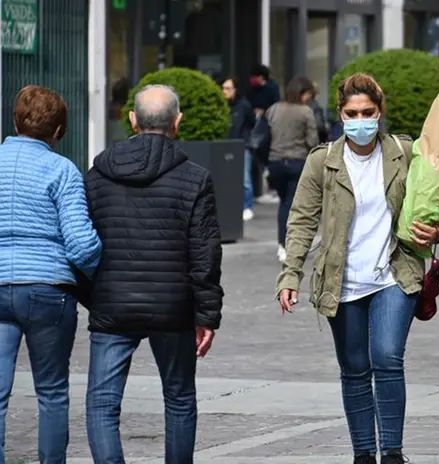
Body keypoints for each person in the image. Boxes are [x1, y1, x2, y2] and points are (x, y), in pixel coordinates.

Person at [276, 73, 439, 464]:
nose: (360, 120)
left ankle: (392, 452)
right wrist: (291, 275)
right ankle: (363, 454)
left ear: (380, 112)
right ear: (340, 114)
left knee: (387, 358)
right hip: (343, 279)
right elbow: (301, 220)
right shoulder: (323, 161)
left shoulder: (405, 153)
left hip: (395, 272)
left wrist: (437, 230)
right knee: (354, 370)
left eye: (367, 112)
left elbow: (437, 211)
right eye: (352, 113)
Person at [83, 85, 224, 464]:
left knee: (101, 404)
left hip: (113, 304)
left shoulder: (98, 174)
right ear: (177, 123)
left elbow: (83, 241)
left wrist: (93, 293)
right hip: (173, 306)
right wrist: (207, 313)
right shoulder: (195, 178)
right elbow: (206, 251)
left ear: (132, 120)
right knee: (178, 397)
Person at [0, 85, 102, 463]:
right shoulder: (62, 170)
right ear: (58, 131)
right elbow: (81, 244)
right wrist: (97, 275)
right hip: (47, 289)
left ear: (14, 121)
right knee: (52, 391)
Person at [265, 76, 320, 263]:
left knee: (284, 203)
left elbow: (265, 133)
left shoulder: (274, 109)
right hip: (297, 162)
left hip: (275, 162)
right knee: (293, 204)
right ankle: (288, 244)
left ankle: (283, 244)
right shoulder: (305, 112)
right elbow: (312, 141)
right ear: (303, 93)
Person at [222, 77, 257, 221]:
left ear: (235, 90)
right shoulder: (222, 106)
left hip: (242, 144)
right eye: (223, 88)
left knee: (245, 179)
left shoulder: (244, 105)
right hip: (226, 145)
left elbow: (251, 122)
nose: (224, 91)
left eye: (228, 88)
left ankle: (247, 206)